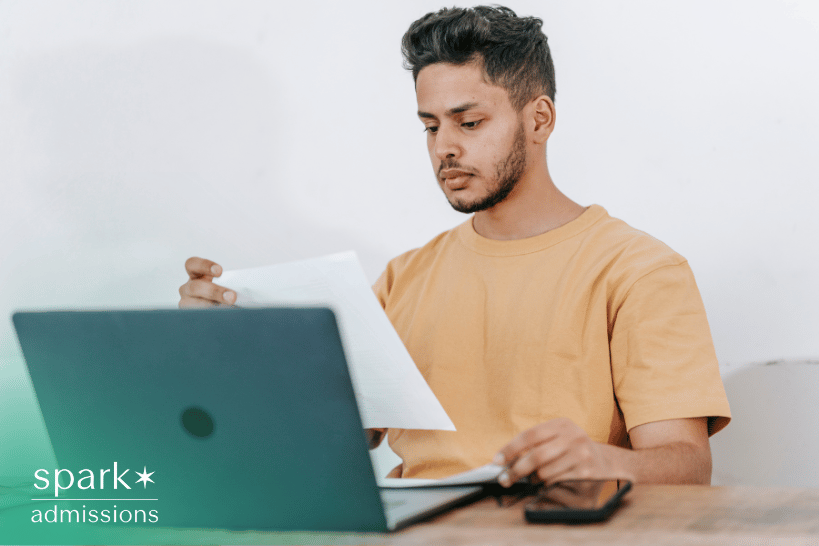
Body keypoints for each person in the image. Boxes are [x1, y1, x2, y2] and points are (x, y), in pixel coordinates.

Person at [178, 5, 731, 486]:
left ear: (539, 118)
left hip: (553, 530)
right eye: (430, 127)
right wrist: (224, 349)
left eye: (468, 122)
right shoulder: (404, 278)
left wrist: (601, 461)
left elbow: (685, 464)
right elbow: (318, 436)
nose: (444, 148)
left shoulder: (638, 271)